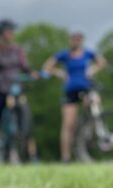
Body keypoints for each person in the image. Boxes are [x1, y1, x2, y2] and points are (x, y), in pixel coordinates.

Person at [0, 19, 38, 162]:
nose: (12, 34)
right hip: (2, 89)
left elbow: (26, 67)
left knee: (26, 124)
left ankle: (33, 157)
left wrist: (33, 74)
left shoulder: (18, 50)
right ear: (1, 34)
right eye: (9, 31)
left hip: (18, 89)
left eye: (12, 31)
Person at [43, 31, 106, 162]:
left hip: (86, 88)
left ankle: (92, 130)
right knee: (68, 124)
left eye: (79, 38)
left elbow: (102, 62)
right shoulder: (64, 55)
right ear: (70, 40)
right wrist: (59, 73)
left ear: (82, 40)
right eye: (74, 38)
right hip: (70, 91)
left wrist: (92, 70)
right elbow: (47, 66)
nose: (76, 41)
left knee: (95, 101)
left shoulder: (88, 53)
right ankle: (66, 157)